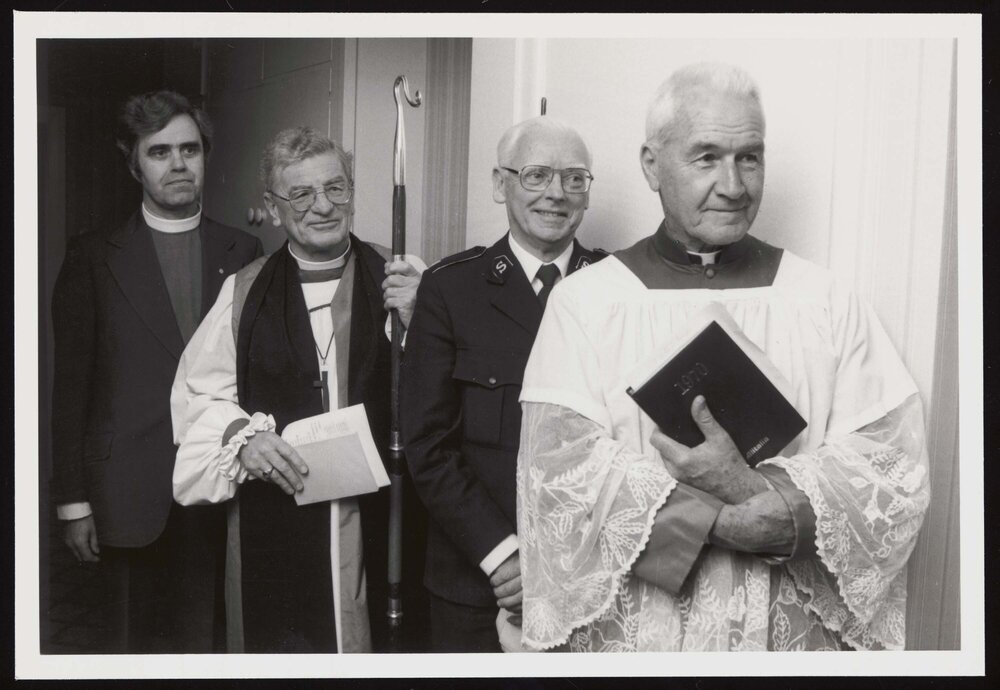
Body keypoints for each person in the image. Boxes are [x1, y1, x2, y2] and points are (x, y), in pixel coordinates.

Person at [516, 63, 930, 652]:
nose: (734, 185)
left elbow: (890, 463)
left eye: (750, 157)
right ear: (651, 165)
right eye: (707, 157)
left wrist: (759, 494)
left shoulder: (823, 299)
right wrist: (727, 520)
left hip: (787, 631)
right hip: (640, 633)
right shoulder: (587, 302)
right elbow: (559, 475)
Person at [171, 126, 427, 653]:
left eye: (336, 188)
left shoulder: (400, 276)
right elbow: (199, 395)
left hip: (382, 515)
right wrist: (243, 436)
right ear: (271, 205)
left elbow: (445, 394)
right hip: (279, 517)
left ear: (352, 192)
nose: (322, 207)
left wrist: (422, 319)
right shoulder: (244, 291)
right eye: (301, 194)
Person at [50, 90, 263, 653]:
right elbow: (70, 388)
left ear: (206, 155)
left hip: (220, 485)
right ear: (133, 162)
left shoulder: (244, 250)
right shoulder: (93, 256)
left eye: (189, 149)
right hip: (126, 490)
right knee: (127, 647)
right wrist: (73, 501)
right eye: (159, 151)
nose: (177, 164)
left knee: (208, 642)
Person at [402, 116, 606, 652]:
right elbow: (427, 445)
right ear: (500, 184)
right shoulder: (449, 289)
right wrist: (501, 554)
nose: (556, 194)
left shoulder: (616, 287)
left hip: (589, 574)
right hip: (477, 580)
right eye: (536, 175)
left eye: (574, 178)